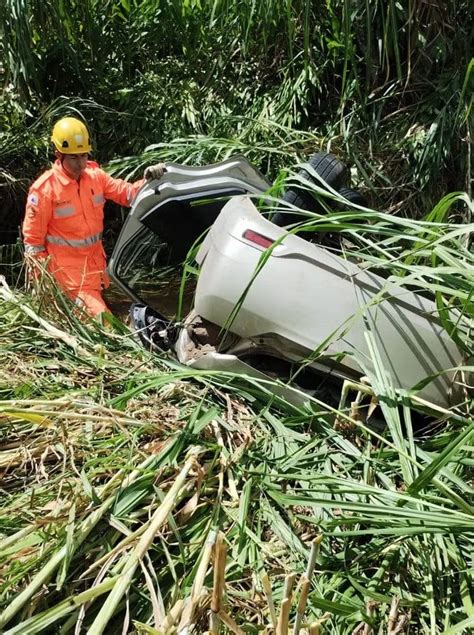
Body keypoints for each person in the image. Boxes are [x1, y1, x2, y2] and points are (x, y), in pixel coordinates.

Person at [22, 116, 166, 316]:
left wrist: (149, 180)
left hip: (95, 270)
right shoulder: (45, 190)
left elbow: (128, 194)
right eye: (74, 157)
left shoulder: (95, 177)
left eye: (83, 156)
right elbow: (33, 243)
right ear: (58, 154)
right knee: (105, 323)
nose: (80, 163)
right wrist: (45, 288)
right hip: (68, 278)